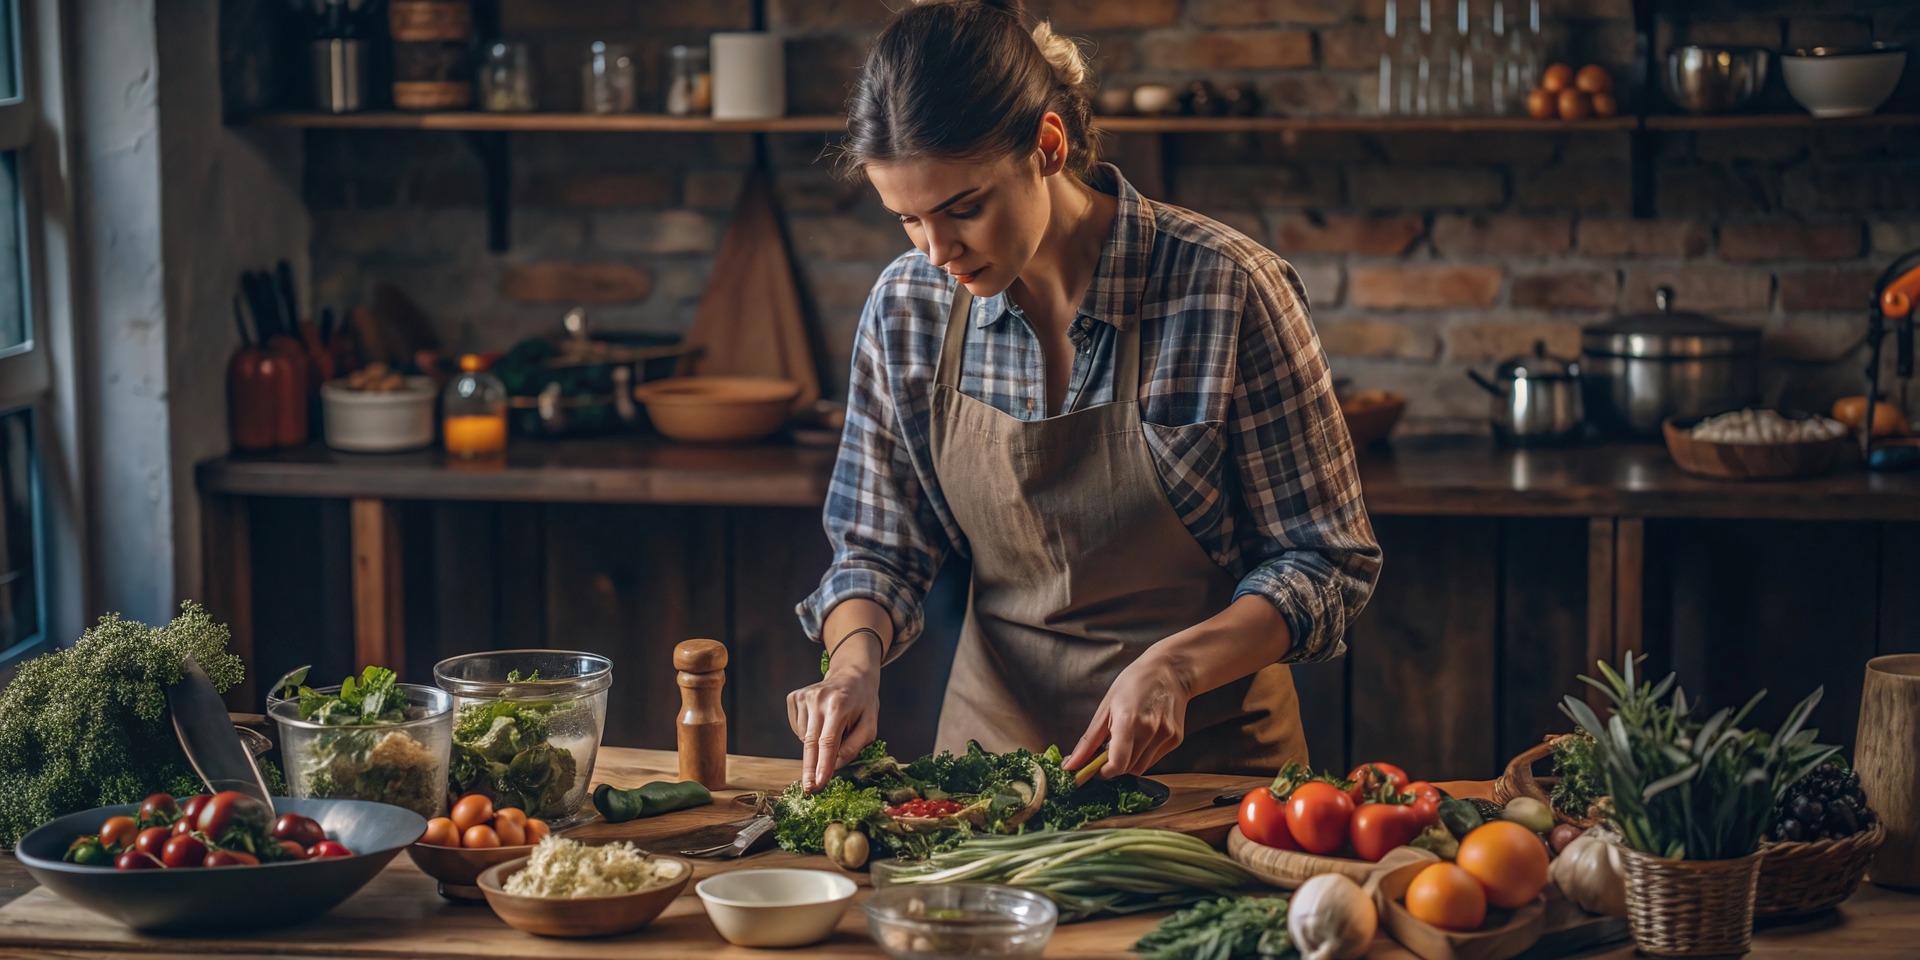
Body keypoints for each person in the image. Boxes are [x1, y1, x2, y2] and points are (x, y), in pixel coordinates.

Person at [786, 0, 1381, 791]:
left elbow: (1325, 561)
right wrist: (852, 663)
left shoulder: (1228, 288)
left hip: (1211, 776)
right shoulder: (910, 308)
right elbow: (877, 548)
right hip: (987, 781)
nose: (937, 251)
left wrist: (1176, 665)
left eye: (964, 208)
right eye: (908, 219)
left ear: (1049, 147)